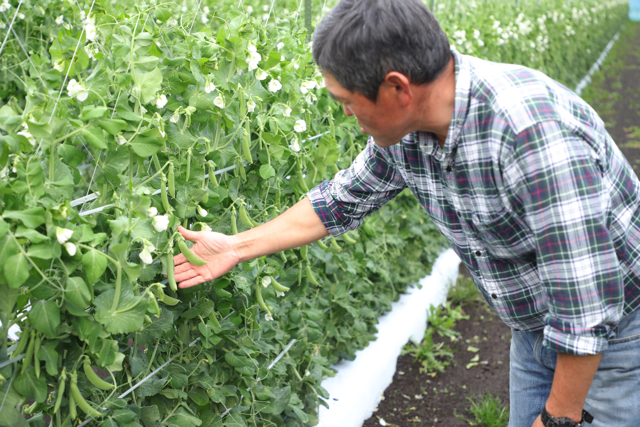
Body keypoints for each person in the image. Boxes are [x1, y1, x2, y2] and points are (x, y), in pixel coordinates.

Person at [171, 0, 640, 426]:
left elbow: (586, 306)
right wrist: (236, 245)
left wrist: (559, 419)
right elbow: (341, 199)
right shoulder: (410, 130)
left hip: (617, 336)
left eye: (347, 102)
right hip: (536, 326)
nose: (348, 116)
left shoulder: (528, 133)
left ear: (397, 88)